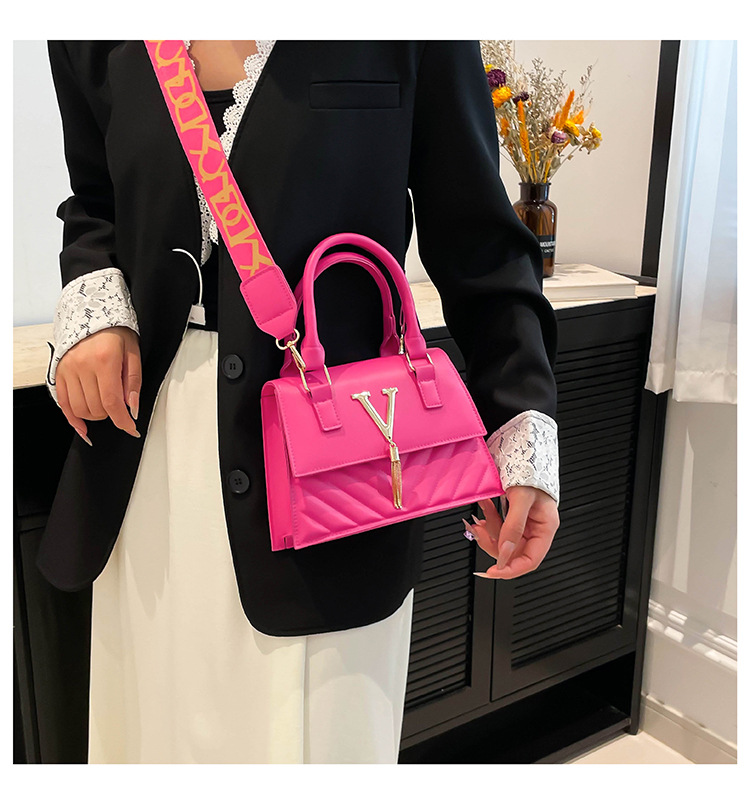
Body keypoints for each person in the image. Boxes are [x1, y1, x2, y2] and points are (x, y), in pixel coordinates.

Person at [39, 39, 561, 763]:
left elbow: (479, 240)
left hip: (336, 471)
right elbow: (94, 197)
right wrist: (92, 301)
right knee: (154, 737)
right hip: (146, 458)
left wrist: (521, 418)